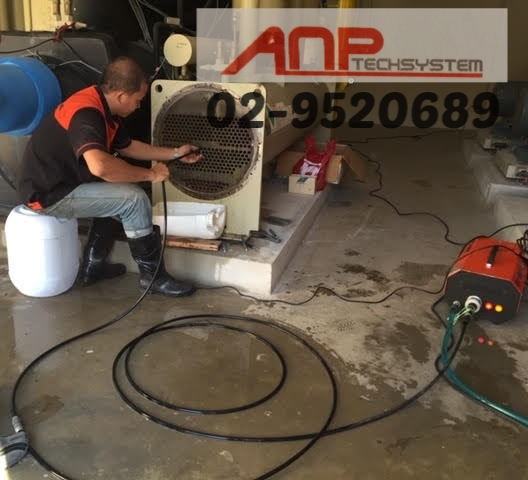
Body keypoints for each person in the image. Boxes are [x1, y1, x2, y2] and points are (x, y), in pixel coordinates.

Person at [16, 56, 203, 297]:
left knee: (118, 190)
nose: (138, 106)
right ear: (122, 95)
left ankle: (93, 267)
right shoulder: (87, 115)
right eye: (138, 100)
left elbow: (128, 146)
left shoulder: (102, 105)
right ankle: (153, 278)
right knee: (133, 200)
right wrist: (150, 174)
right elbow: (101, 167)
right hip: (48, 193)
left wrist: (176, 153)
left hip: (63, 181)